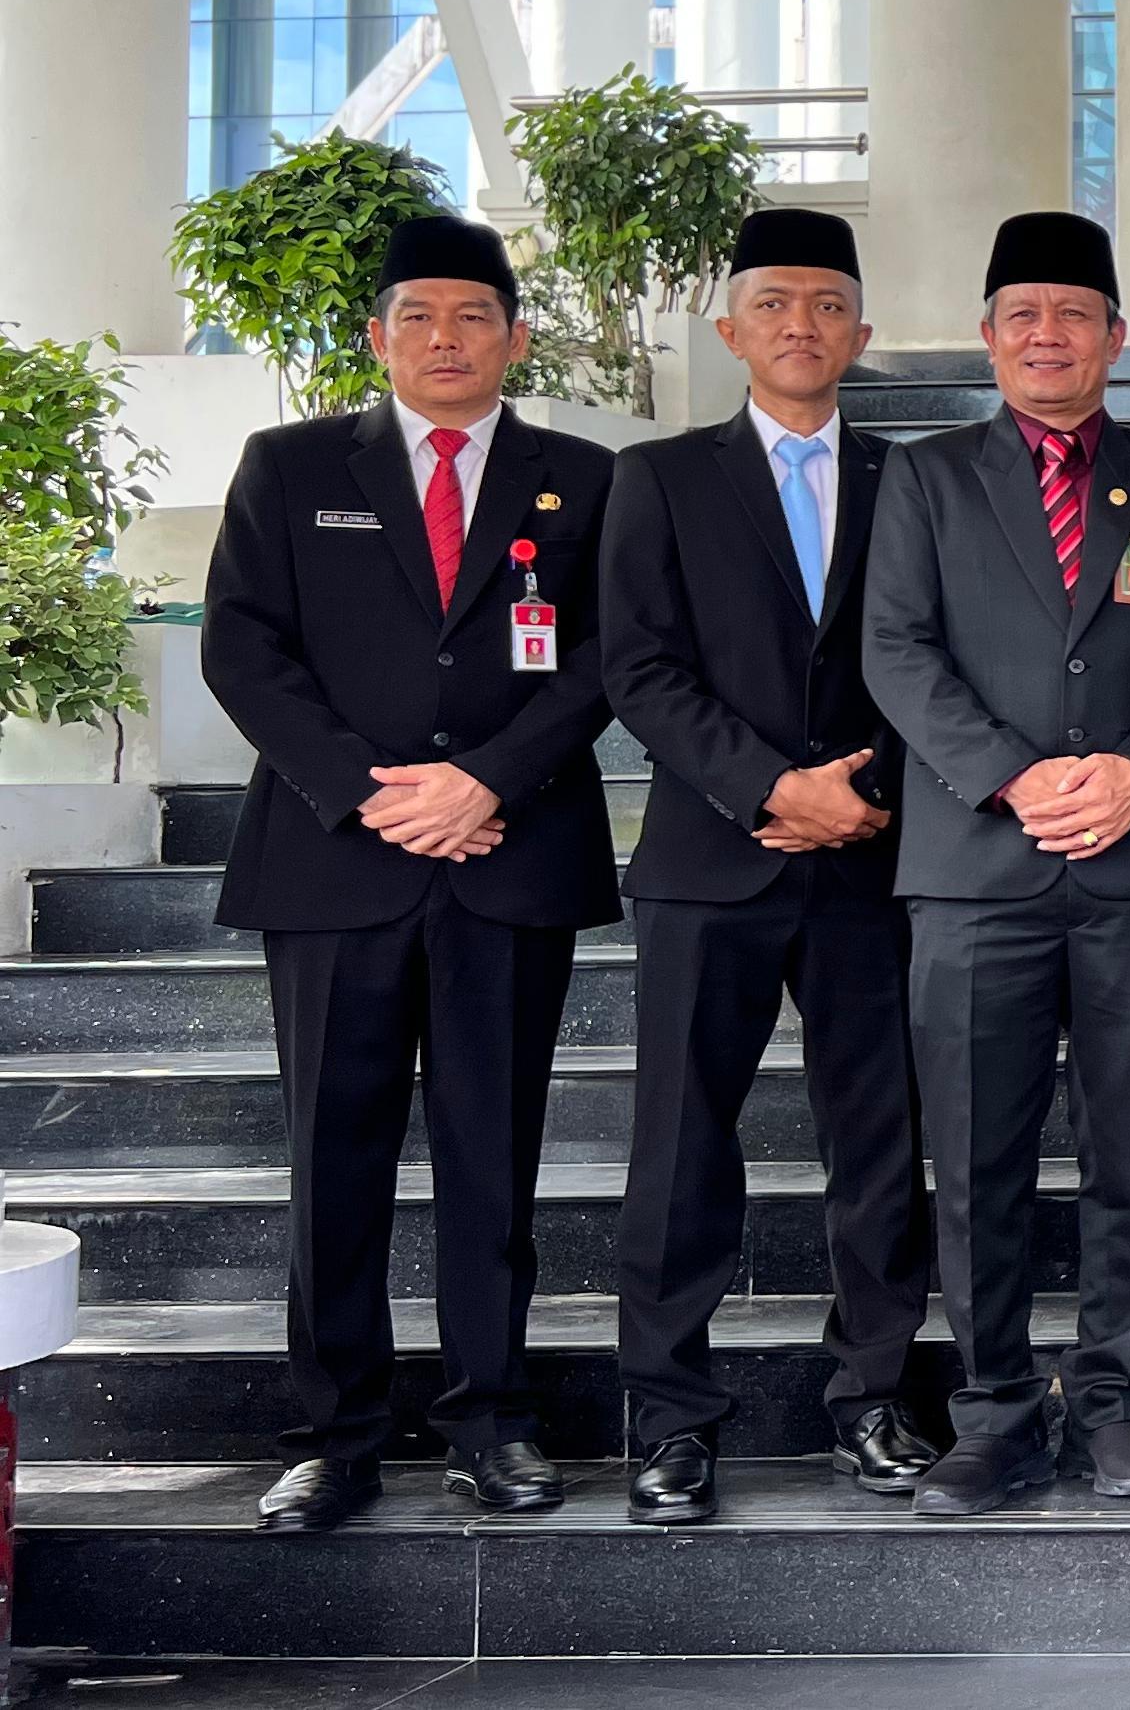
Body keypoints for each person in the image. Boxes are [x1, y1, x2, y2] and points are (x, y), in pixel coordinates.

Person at [201, 214, 618, 1532]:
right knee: (335, 1154)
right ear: (378, 336)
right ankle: (336, 1434)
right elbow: (242, 646)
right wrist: (372, 791)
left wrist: (488, 778)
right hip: (336, 857)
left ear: (516, 336)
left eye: (473, 315)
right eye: (419, 317)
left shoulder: (583, 477)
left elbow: (611, 653)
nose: (446, 339)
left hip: (510, 851)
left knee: (494, 1152)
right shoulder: (289, 466)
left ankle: (492, 1419)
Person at [864, 211, 1130, 1517]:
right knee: (975, 1154)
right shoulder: (927, 476)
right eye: (1022, 315)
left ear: (1116, 337)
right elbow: (895, 648)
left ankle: (1111, 1400)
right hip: (973, 867)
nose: (1046, 335)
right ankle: (996, 1409)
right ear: (987, 335)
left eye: (1073, 314)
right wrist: (1012, 774)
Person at [599, 207, 934, 1524]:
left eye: (828, 303)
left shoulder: (916, 477)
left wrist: (863, 795)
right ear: (730, 330)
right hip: (708, 857)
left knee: (880, 1138)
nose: (803, 324)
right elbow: (637, 664)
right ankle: (670, 1418)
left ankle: (874, 1396)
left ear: (862, 330)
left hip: (873, 859)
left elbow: (943, 658)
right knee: (680, 1143)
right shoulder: (659, 477)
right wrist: (766, 786)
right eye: (775, 303)